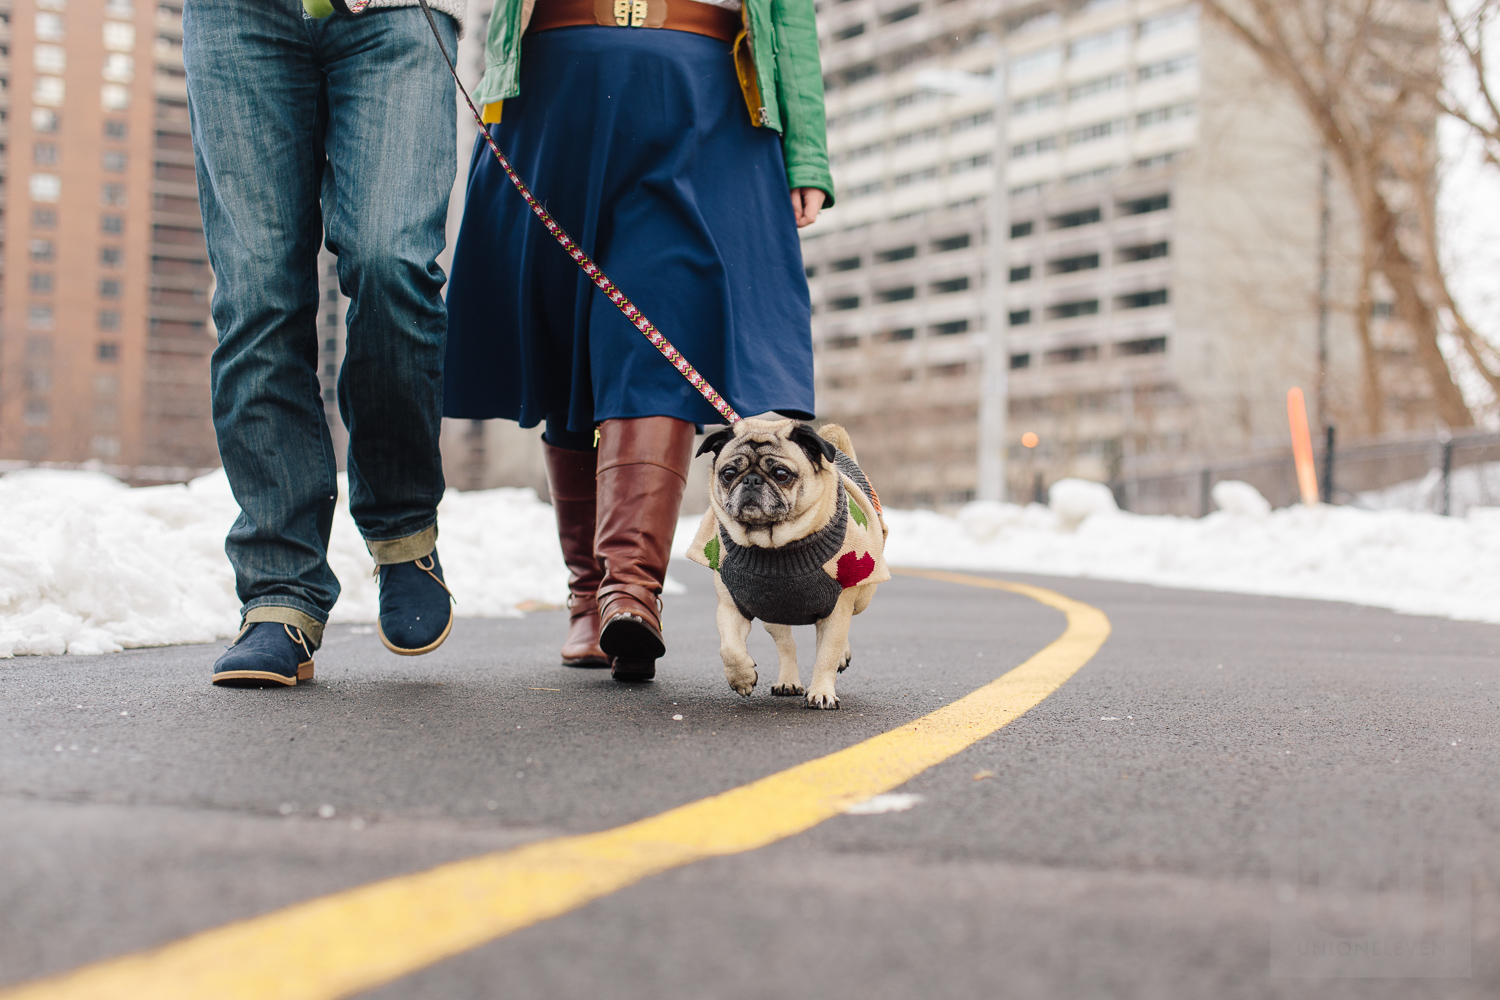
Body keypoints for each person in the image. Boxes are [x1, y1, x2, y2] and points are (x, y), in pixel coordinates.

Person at [443, 0, 833, 681]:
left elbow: (789, 17)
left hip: (706, 97)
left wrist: (806, 151)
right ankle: (588, 593)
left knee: (657, 334)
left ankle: (630, 591)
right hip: (553, 88)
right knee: (567, 347)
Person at [183, 0, 467, 687]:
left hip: (399, 15)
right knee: (256, 296)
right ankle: (279, 593)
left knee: (391, 261)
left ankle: (403, 529)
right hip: (236, 20)